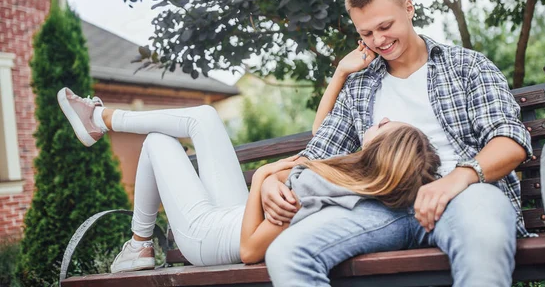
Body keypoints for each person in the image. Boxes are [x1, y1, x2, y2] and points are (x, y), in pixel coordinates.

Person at [262, 0, 533, 287]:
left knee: (483, 236)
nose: (378, 40)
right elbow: (319, 155)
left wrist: (456, 180)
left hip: (463, 197)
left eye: (385, 26)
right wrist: (271, 179)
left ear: (409, 8)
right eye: (366, 33)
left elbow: (510, 140)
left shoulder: (466, 66)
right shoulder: (359, 87)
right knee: (286, 252)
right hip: (379, 209)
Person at [56, 76, 438, 272]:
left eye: (386, 126)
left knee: (158, 142)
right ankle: (102, 121)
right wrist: (340, 72)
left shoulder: (325, 193)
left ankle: (139, 243)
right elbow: (321, 136)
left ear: (380, 153)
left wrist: (263, 176)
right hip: (235, 214)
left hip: (211, 236)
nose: (382, 118)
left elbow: (250, 250)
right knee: (203, 116)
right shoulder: (345, 175)